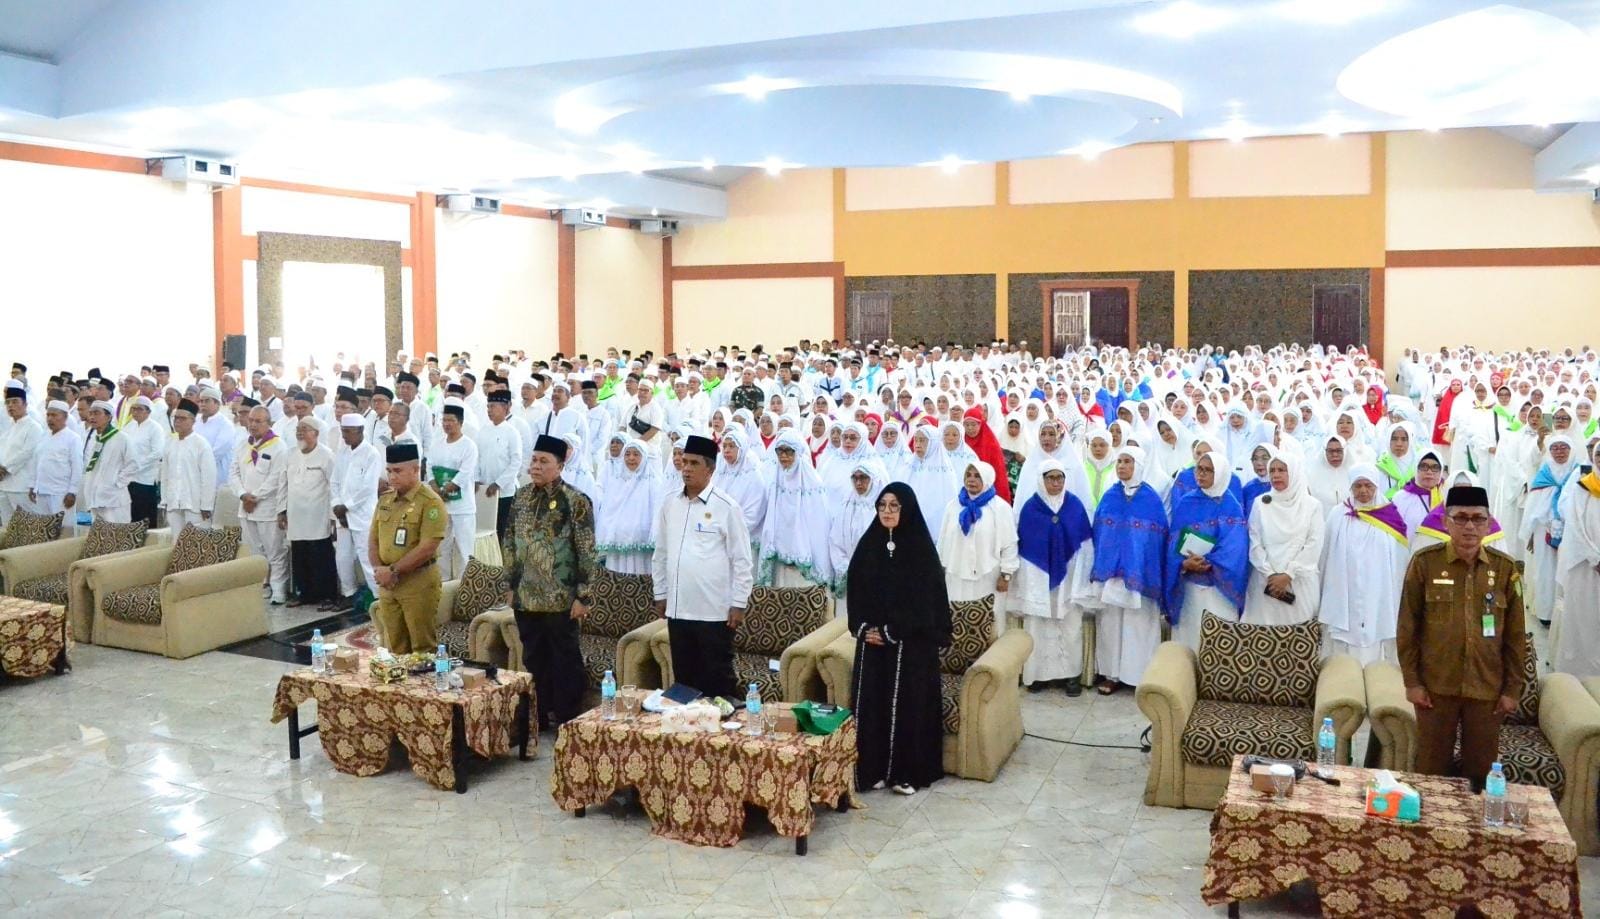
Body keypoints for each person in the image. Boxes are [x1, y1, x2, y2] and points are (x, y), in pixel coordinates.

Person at [1397, 485, 1527, 789]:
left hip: (1487, 690)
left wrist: (1512, 689)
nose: (1469, 526)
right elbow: (1407, 627)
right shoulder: (1425, 563)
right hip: (1435, 689)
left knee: (1481, 776)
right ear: (1446, 521)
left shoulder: (1505, 569)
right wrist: (1412, 682)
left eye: (1477, 519)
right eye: (1461, 518)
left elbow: (1516, 636)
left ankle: (1476, 836)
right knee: (1430, 773)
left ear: (1488, 522)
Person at [848, 481, 949, 795]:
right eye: (882, 506)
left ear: (906, 509)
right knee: (873, 705)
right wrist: (864, 628)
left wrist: (894, 631)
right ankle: (873, 770)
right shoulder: (869, 545)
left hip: (910, 644)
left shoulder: (919, 549)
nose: (887, 512)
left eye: (894, 506)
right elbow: (855, 590)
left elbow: (926, 602)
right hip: (874, 645)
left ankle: (906, 773)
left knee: (908, 706)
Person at [502, 434, 597, 729]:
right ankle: (538, 717)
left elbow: (587, 550)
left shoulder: (575, 501)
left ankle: (568, 720)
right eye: (534, 460)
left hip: (561, 598)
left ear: (560, 465)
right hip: (526, 596)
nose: (536, 466)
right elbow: (509, 542)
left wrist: (584, 596)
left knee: (565, 661)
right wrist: (508, 584)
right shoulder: (521, 496)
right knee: (534, 659)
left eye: (544, 461)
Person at [651, 434, 754, 701]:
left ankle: (722, 741)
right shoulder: (670, 503)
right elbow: (660, 552)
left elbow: (742, 560)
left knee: (717, 684)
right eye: (684, 462)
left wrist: (739, 603)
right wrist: (660, 593)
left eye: (694, 463)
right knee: (684, 683)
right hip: (678, 608)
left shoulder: (727, 507)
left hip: (714, 612)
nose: (686, 468)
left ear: (710, 469)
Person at [1088, 445, 1168, 693]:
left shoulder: (1151, 499)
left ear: (1139, 466)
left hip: (1141, 573)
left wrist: (1137, 561)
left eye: (1128, 461)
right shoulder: (1110, 495)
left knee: (1139, 624)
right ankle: (1111, 675)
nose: (1122, 466)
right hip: (1112, 573)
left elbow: (1157, 540)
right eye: (1120, 461)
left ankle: (1139, 676)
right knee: (1111, 623)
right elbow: (1099, 532)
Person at [1010, 459, 1094, 694]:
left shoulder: (1074, 505)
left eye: (1060, 478)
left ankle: (1071, 676)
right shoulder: (1030, 508)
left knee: (1069, 623)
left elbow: (1085, 545)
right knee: (1038, 623)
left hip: (1069, 576)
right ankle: (1037, 675)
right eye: (1050, 478)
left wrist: (1081, 577)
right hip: (1038, 576)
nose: (1056, 483)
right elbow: (1025, 548)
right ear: (1041, 479)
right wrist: (1030, 580)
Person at [1318, 464, 1410, 665]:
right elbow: (1325, 555)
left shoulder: (1390, 515)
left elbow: (1399, 558)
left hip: (1378, 589)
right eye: (1358, 486)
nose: (1363, 491)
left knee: (1378, 627)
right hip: (1345, 587)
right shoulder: (1337, 514)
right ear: (1350, 488)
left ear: (1376, 487)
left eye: (1368, 485)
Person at [1163, 450, 1250, 651]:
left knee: (1219, 642)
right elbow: (1174, 543)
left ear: (1219, 473)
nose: (1200, 474)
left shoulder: (1231, 506)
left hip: (1219, 589)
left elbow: (1235, 549)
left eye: (1208, 470)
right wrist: (1183, 564)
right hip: (1189, 587)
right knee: (1189, 639)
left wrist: (1206, 563)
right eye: (1198, 469)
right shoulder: (1187, 502)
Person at [369, 443, 447, 653]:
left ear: (415, 470)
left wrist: (393, 571)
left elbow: (427, 547)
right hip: (388, 584)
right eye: (389, 471)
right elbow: (373, 540)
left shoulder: (430, 502)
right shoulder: (385, 500)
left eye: (398, 471)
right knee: (395, 645)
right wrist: (380, 570)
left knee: (422, 647)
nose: (392, 477)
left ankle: (425, 686)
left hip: (417, 582)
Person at [1242, 451, 1324, 626]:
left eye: (1282, 470)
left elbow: (1314, 544)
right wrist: (1271, 575)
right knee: (1263, 640)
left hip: (1300, 584)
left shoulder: (1312, 506)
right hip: (1265, 585)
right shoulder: (1260, 504)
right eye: (1272, 471)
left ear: (1293, 472)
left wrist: (1288, 574)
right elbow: (1255, 542)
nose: (1276, 475)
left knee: (1299, 640)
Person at [937, 460, 1018, 635]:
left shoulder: (1000, 508)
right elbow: (943, 541)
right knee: (956, 622)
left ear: (987, 479)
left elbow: (1009, 543)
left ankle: (987, 662)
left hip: (988, 578)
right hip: (956, 576)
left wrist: (1006, 574)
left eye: (977, 476)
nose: (971, 480)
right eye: (968, 475)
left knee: (988, 624)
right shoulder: (953, 506)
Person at [757, 429, 833, 588]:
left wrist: (803, 550)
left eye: (789, 451)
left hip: (804, 556)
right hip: (778, 554)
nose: (784, 456)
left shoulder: (812, 481)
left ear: (798, 452)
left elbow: (818, 524)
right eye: (780, 451)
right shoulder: (775, 478)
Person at [231, 406, 291, 604]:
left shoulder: (278, 446)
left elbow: (277, 478)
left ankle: (279, 590)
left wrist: (254, 497)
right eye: (251, 420)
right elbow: (233, 473)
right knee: (255, 552)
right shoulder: (242, 445)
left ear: (269, 423)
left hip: (267, 508)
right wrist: (242, 495)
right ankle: (263, 585)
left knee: (275, 551)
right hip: (245, 508)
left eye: (258, 421)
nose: (253, 424)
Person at [1554, 441, 1600, 677]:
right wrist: (1595, 558)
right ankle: (1581, 673)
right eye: (1599, 454)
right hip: (1586, 567)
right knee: (1584, 618)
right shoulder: (1583, 488)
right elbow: (1576, 528)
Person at [1519, 435, 1575, 627]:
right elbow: (1533, 505)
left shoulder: (1577, 473)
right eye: (1555, 448)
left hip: (1570, 530)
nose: (1560, 452)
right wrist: (1531, 533)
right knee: (1545, 570)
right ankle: (1545, 612)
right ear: (1549, 451)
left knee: (1566, 570)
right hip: (1544, 530)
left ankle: (1566, 614)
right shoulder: (1544, 474)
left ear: (1571, 449)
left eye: (1564, 447)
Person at [283, 417, 338, 608]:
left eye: (305, 429)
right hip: (296, 515)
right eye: (298, 429)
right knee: (299, 555)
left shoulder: (326, 455)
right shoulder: (290, 454)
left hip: (318, 515)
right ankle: (304, 593)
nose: (300, 432)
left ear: (316, 433)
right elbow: (284, 485)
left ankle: (327, 596)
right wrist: (281, 511)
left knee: (320, 556)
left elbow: (334, 486)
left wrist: (333, 517)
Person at [827, 459, 889, 622]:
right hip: (851, 574)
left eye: (864, 478)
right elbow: (835, 540)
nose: (859, 483)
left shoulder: (885, 509)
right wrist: (848, 567)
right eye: (855, 478)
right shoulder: (847, 505)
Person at [331, 414, 382, 608]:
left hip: (362, 515)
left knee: (367, 557)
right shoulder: (343, 452)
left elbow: (368, 488)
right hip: (341, 514)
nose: (344, 436)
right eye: (343, 431)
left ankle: (379, 599)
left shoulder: (371, 454)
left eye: (348, 432)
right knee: (342, 557)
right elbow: (334, 481)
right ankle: (348, 593)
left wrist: (347, 507)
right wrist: (337, 505)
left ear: (360, 431)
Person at [428, 403, 480, 580]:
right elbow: (429, 467)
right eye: (444, 420)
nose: (447, 424)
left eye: (451, 420)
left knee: (465, 549)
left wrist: (445, 489)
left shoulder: (469, 446)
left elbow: (465, 473)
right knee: (442, 547)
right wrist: (435, 487)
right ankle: (443, 583)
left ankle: (466, 587)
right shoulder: (437, 444)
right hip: (442, 504)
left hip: (463, 506)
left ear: (460, 422)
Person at [594, 438, 661, 575]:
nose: (631, 458)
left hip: (641, 544)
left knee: (640, 577)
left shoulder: (654, 483)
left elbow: (656, 513)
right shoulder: (616, 481)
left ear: (644, 457)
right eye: (627, 454)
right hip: (617, 542)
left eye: (636, 454)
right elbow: (608, 511)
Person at [159, 398, 216, 533]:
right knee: (176, 543)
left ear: (193, 421)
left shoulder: (201, 444)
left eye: (182, 418)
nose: (177, 421)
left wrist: (206, 505)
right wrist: (165, 499)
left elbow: (209, 477)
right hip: (174, 502)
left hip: (195, 504)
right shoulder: (170, 442)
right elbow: (165, 474)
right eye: (176, 418)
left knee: (197, 544)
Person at [80, 400, 137, 525]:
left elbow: (132, 465)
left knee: (116, 536)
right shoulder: (94, 439)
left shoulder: (121, 438)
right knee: (99, 538)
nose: (92, 417)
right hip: (95, 497)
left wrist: (116, 484)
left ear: (108, 417)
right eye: (90, 413)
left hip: (114, 499)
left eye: (97, 413)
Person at [29, 401, 83, 518]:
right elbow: (36, 462)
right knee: (43, 530)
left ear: (65, 417)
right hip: (41, 491)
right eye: (48, 415)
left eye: (54, 415)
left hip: (61, 494)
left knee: (63, 532)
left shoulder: (73, 438)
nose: (50, 419)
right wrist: (33, 485)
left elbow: (77, 467)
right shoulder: (44, 435)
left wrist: (72, 492)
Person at [0, 384, 44, 524]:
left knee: (25, 526)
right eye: (8, 402)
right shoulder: (9, 427)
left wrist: (5, 468)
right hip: (4, 484)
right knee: (8, 527)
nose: (10, 406)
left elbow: (26, 453)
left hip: (21, 485)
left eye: (15, 402)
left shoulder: (34, 427)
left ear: (25, 404)